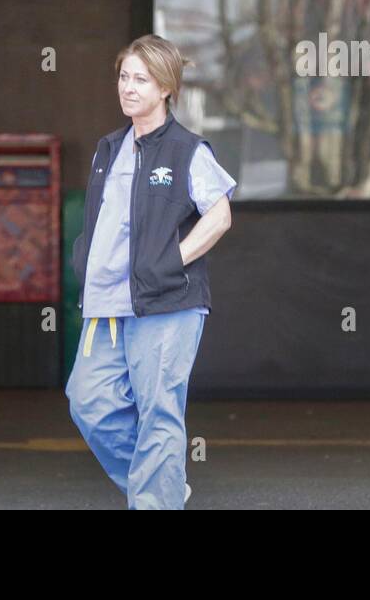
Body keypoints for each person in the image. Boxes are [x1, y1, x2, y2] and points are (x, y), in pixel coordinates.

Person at [65, 34, 235, 509]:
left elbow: (219, 216)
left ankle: (155, 501)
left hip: (167, 302)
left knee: (159, 413)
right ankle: (158, 485)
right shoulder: (108, 148)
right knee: (89, 403)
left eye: (141, 79)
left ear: (165, 87)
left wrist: (169, 261)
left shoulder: (186, 150)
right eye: (124, 76)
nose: (129, 88)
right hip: (107, 303)